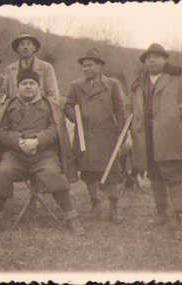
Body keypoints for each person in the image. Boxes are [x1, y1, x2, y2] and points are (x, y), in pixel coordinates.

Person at [0, 69, 84, 236]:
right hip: (15, 154)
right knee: (3, 172)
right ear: (18, 86)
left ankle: (71, 217)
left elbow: (55, 130)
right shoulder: (7, 106)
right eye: (24, 83)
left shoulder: (51, 106)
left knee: (53, 173)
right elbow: (0, 132)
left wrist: (37, 141)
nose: (28, 86)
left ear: (39, 86)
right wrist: (19, 141)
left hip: (43, 153)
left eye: (32, 83)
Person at [126, 43, 182, 239]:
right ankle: (162, 214)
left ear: (165, 59)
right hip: (146, 139)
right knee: (154, 176)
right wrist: (131, 122)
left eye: (156, 56)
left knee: (173, 178)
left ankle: (181, 220)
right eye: (148, 58)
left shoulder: (180, 76)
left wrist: (178, 112)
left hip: (171, 138)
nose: (151, 60)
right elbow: (129, 105)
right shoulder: (138, 82)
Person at [63, 48, 126, 224]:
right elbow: (67, 106)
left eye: (90, 65)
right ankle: (95, 203)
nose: (86, 69)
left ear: (100, 66)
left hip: (107, 136)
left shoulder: (112, 84)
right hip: (85, 136)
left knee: (111, 172)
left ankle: (114, 208)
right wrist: (76, 116)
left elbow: (119, 109)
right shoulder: (75, 85)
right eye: (84, 66)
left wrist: (121, 131)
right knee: (89, 172)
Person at [4, 32, 60, 102]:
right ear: (17, 49)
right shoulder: (10, 69)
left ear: (34, 48)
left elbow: (53, 94)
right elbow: (4, 95)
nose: (25, 47)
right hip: (16, 110)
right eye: (22, 44)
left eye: (28, 44)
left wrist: (45, 110)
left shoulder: (46, 67)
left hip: (40, 110)